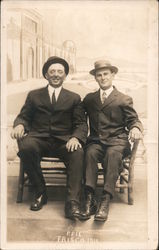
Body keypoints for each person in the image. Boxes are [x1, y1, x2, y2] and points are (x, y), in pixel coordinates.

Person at [11, 56, 88, 220]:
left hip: (64, 141)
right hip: (39, 138)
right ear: (46, 75)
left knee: (78, 153)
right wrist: (20, 125)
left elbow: (81, 124)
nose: (56, 74)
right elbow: (23, 116)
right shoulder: (34, 95)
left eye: (60, 71)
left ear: (65, 75)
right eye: (52, 71)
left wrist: (76, 138)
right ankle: (40, 192)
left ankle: (72, 203)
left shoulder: (74, 98)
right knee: (26, 147)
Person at [81, 60, 143, 222]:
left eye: (106, 74)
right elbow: (78, 117)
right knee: (90, 154)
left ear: (113, 75)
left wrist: (136, 128)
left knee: (113, 154)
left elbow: (133, 120)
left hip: (117, 141)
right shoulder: (89, 99)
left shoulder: (123, 99)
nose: (102, 78)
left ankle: (105, 199)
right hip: (96, 142)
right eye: (99, 75)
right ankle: (89, 198)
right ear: (95, 78)